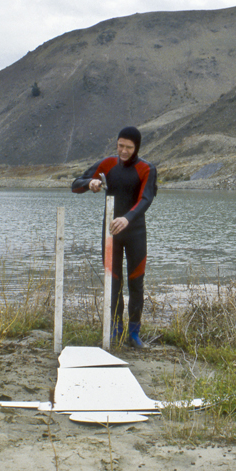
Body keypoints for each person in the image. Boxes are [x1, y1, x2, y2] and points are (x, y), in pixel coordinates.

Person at [72, 126, 157, 348]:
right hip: (111, 234)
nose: (124, 151)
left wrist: (127, 218)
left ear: (137, 147)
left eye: (129, 147)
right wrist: (89, 183)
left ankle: (134, 334)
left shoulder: (146, 168)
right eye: (120, 145)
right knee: (113, 282)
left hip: (135, 231)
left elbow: (146, 198)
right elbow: (75, 185)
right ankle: (116, 330)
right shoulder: (108, 164)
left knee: (136, 282)